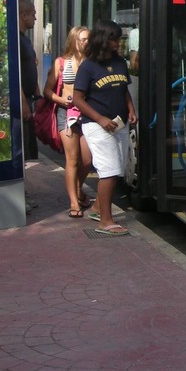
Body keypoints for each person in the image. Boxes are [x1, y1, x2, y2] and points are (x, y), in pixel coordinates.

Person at [74, 19, 137, 236]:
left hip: (119, 123)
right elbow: (78, 99)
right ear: (103, 39)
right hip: (96, 125)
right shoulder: (88, 66)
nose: (118, 43)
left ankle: (96, 208)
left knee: (117, 168)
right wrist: (100, 118)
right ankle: (105, 222)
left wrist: (131, 109)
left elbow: (124, 90)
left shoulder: (119, 62)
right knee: (109, 171)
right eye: (114, 39)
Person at [43, 26, 93, 218]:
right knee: (72, 159)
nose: (86, 42)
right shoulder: (61, 63)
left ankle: (78, 189)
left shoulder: (92, 62)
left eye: (88, 39)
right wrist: (61, 100)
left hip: (86, 114)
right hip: (66, 114)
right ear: (73, 40)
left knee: (87, 160)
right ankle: (74, 202)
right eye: (82, 39)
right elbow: (47, 90)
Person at [18, 0, 40, 160]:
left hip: (29, 99)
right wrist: (23, 102)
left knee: (31, 147)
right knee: (24, 147)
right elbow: (15, 73)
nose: (35, 18)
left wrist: (38, 96)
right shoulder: (15, 40)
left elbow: (30, 68)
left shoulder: (26, 40)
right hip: (23, 100)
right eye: (33, 14)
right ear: (23, 15)